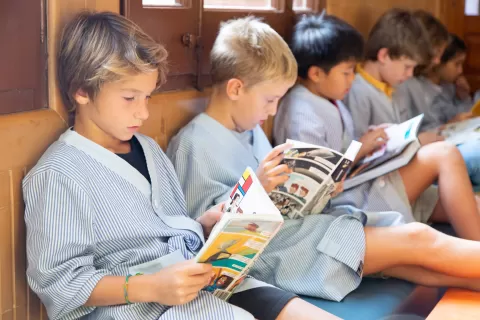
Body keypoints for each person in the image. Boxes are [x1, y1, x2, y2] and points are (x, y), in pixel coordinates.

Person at [23, 11, 337, 320]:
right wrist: (149, 288)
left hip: (194, 283)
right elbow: (60, 282)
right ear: (82, 90)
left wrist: (204, 224)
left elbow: (166, 226)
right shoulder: (58, 173)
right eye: (130, 98)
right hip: (138, 307)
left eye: (147, 97)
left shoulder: (146, 148)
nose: (143, 113)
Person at [168, 15, 480, 302]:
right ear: (236, 88)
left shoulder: (248, 129)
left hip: (307, 228)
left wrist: (315, 190)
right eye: (270, 99)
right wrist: (258, 189)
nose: (273, 111)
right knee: (417, 238)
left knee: (419, 264)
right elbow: (203, 238)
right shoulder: (194, 144)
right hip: (282, 250)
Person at [273, 12, 480, 240]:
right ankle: (474, 255)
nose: (352, 79)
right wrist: (361, 147)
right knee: (444, 154)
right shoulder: (302, 111)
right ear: (316, 74)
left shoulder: (328, 99)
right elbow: (314, 186)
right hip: (348, 201)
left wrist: (374, 145)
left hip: (366, 184)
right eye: (347, 72)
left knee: (469, 202)